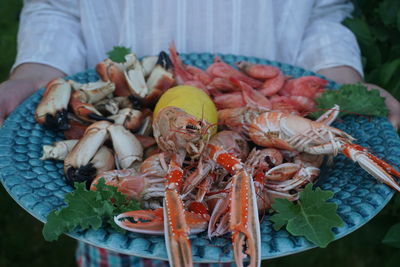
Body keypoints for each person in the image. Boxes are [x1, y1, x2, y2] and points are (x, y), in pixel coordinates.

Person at [1, 0, 399, 266]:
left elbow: (324, 10)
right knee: (126, 200)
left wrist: (338, 77)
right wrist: (37, 70)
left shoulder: (242, 122)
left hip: (246, 174)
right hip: (121, 234)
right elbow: (56, 6)